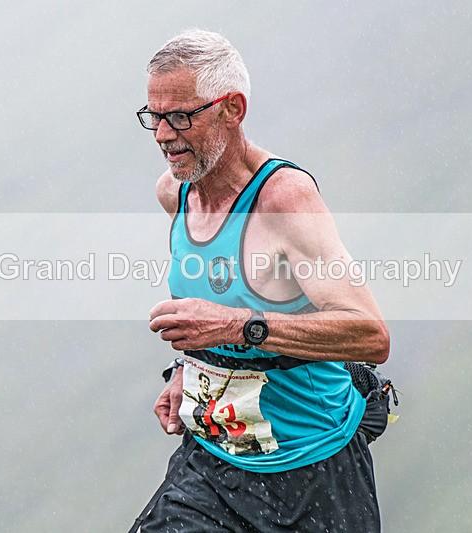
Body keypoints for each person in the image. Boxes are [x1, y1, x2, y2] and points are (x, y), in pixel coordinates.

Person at [131, 29, 390, 532]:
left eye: (180, 116)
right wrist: (188, 370)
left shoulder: (282, 200)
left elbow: (369, 334)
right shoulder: (175, 194)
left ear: (232, 109)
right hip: (213, 463)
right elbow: (211, 300)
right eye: (153, 117)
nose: (162, 135)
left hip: (315, 469)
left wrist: (235, 327)